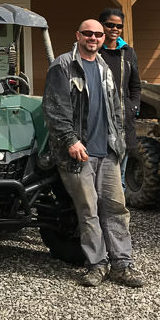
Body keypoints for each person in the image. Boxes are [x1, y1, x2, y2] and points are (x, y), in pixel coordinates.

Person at [42, 18, 144, 288]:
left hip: (107, 151)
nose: (93, 38)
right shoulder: (63, 66)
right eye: (88, 33)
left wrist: (119, 142)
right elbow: (54, 110)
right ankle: (96, 265)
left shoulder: (103, 67)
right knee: (88, 211)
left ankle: (122, 265)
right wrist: (70, 141)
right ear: (78, 36)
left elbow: (114, 108)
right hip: (78, 154)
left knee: (116, 209)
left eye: (98, 34)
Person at [98, 8, 142, 184]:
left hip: (123, 122)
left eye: (119, 26)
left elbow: (135, 85)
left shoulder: (128, 53)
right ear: (102, 26)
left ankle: (118, 201)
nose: (115, 29)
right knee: (100, 175)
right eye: (110, 25)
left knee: (120, 176)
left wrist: (134, 107)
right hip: (99, 124)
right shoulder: (95, 51)